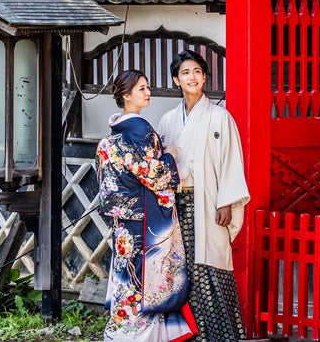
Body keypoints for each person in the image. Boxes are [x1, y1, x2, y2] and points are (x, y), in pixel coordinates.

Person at [156, 50, 250, 342]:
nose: (192, 77)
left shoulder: (220, 117)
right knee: (180, 269)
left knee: (211, 266)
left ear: (205, 77)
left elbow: (231, 160)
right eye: (185, 73)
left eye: (197, 71)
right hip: (176, 205)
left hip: (208, 203)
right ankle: (187, 334)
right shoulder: (168, 120)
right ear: (176, 79)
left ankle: (222, 335)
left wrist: (227, 202)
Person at [96, 69, 197, 342]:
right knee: (146, 278)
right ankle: (140, 336)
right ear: (126, 96)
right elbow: (155, 176)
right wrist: (170, 158)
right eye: (141, 88)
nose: (148, 92)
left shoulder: (111, 137)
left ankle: (120, 332)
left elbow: (108, 187)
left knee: (126, 275)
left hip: (123, 223)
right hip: (143, 221)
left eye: (147, 86)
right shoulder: (140, 131)